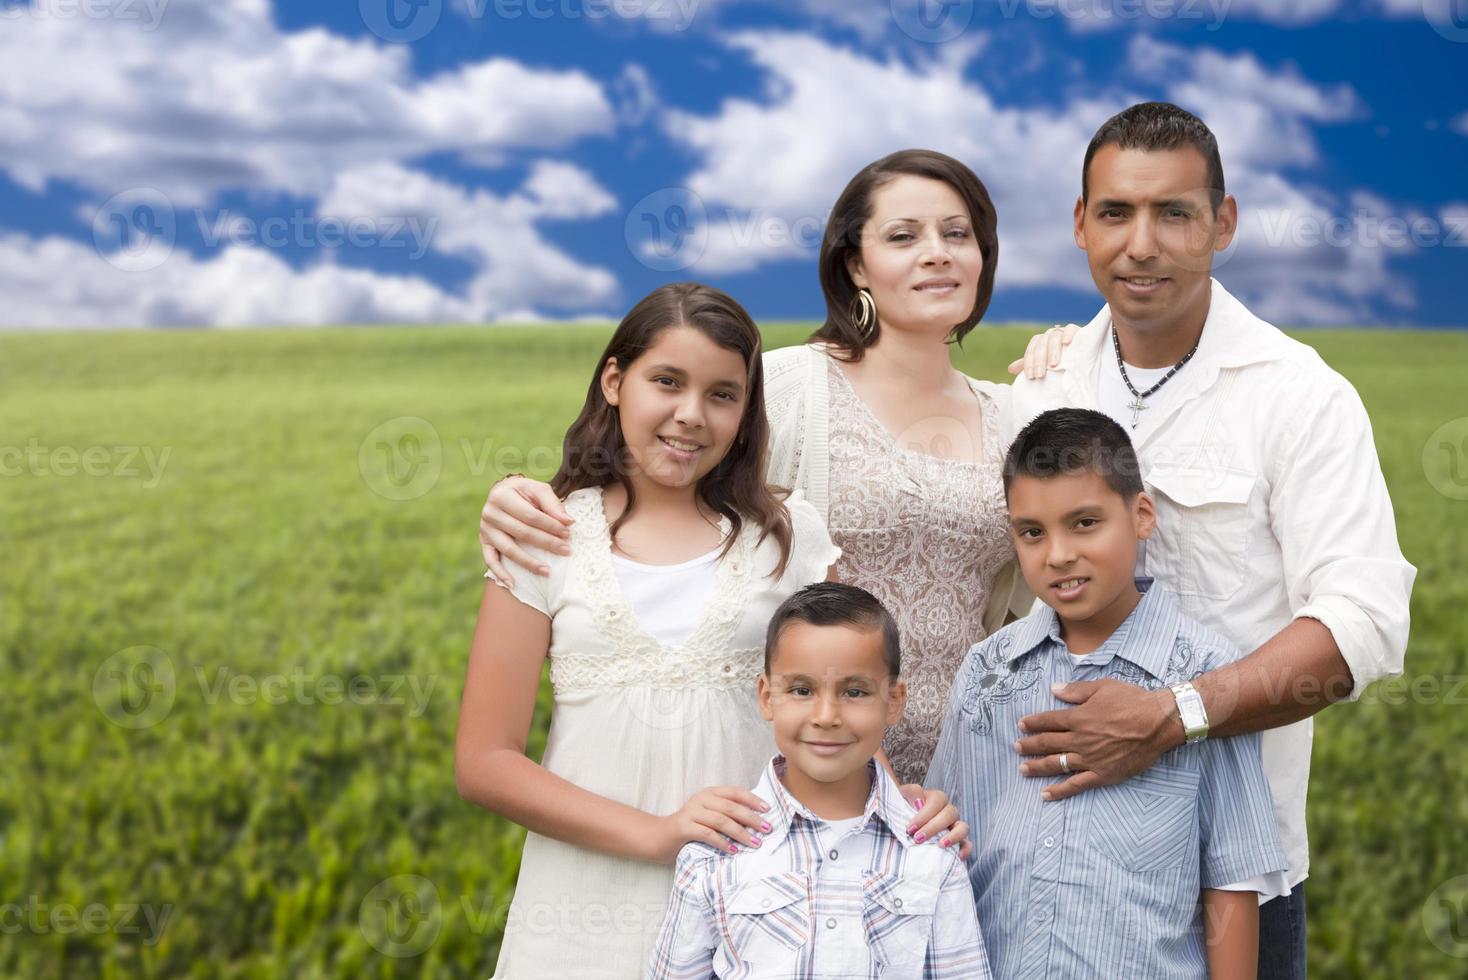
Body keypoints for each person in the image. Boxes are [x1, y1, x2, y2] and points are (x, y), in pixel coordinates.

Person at [477, 149, 1076, 793]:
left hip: (969, 777)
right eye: (903, 236)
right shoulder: (788, 385)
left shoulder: (1018, 414)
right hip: (802, 783)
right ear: (855, 265)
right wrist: (521, 493)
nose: (937, 252)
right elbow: (661, 470)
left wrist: (1080, 355)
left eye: (958, 234)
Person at [1006, 103, 1416, 979]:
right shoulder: (1040, 388)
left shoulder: (1299, 396)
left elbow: (1362, 624)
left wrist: (1172, 716)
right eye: (1115, 213)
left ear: (1222, 223)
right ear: (1081, 224)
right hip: (1052, 865)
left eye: (1175, 213)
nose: (1141, 244)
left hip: (1232, 878)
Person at [453, 282, 967, 979]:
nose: (690, 415)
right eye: (666, 381)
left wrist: (905, 812)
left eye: (722, 395)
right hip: (579, 910)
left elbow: (840, 703)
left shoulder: (787, 538)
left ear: (746, 411)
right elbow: (485, 761)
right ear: (614, 380)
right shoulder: (545, 535)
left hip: (757, 903)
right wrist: (659, 835)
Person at [929, 408, 1287, 980]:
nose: (1058, 554)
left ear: (1141, 515)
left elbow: (1232, 879)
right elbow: (944, 848)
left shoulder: (1205, 674)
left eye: (1085, 523)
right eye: (1032, 532)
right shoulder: (988, 670)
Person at [648, 582, 991, 979]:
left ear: (894, 701)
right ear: (766, 696)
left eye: (855, 692)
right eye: (801, 689)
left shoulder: (932, 853)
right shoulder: (716, 854)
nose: (826, 715)